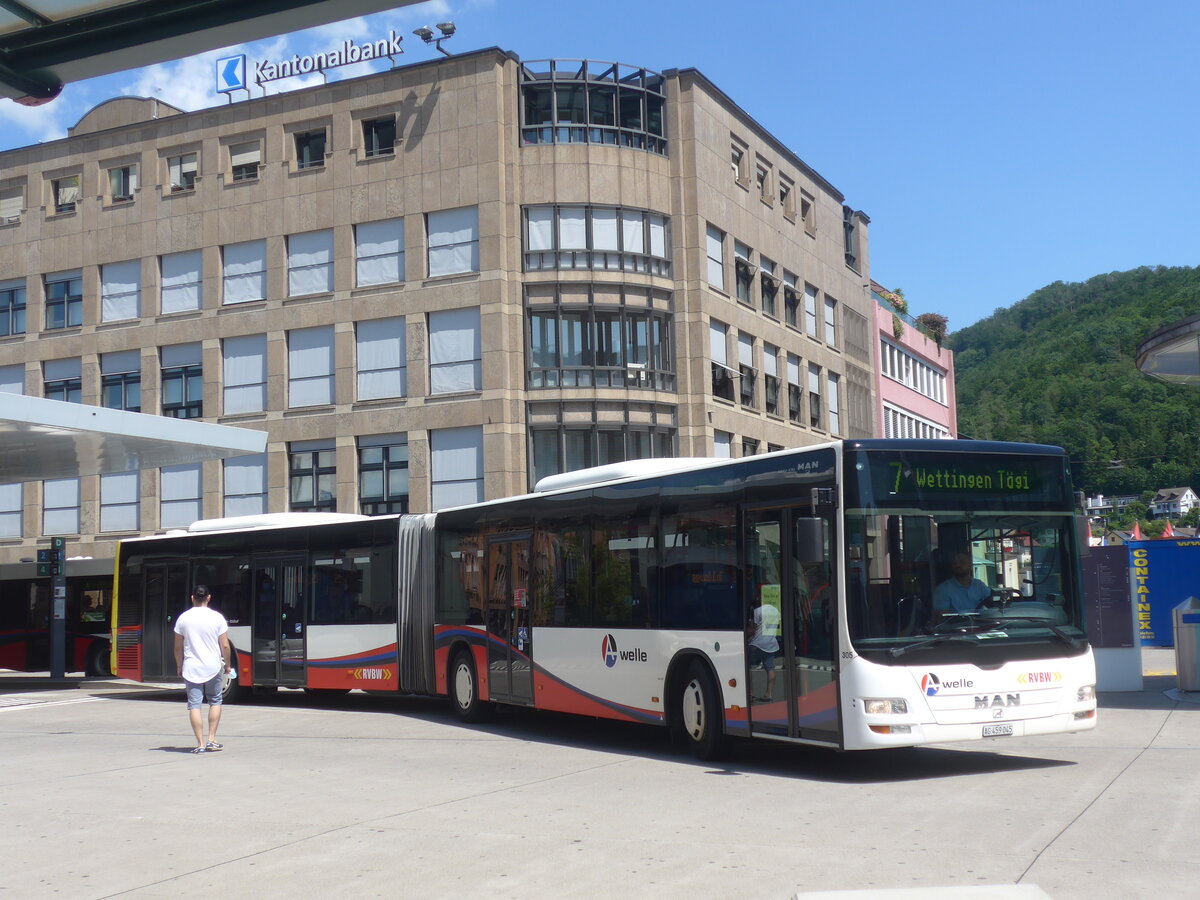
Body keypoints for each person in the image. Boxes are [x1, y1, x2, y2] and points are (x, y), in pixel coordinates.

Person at [173, 584, 231, 754]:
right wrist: (228, 665)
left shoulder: (183, 619)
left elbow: (178, 647)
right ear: (209, 597)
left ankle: (199, 744)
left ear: (192, 598)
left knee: (194, 705)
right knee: (215, 701)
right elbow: (225, 645)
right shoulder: (217, 618)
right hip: (213, 666)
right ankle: (211, 739)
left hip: (191, 667)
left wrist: (179, 664)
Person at [748, 601, 781, 702]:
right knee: (770, 668)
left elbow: (753, 628)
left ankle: (750, 693)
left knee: (748, 667)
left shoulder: (757, 611)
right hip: (770, 643)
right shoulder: (776, 611)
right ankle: (768, 693)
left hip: (756, 643)